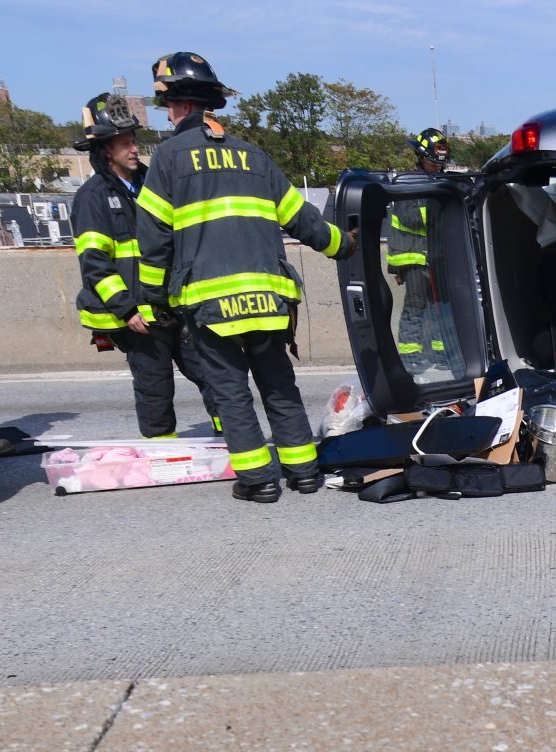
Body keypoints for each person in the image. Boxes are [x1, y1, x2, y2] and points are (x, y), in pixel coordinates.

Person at [134, 51, 349, 503]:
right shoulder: (254, 155)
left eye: (167, 105)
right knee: (278, 384)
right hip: (269, 298)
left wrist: (152, 299)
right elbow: (301, 219)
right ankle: (304, 472)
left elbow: (153, 239)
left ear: (179, 104)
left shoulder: (168, 159)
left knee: (230, 391)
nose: (167, 113)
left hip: (210, 304)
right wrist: (343, 244)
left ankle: (259, 481)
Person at [71, 92, 210, 439]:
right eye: (125, 143)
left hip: (174, 304)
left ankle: (231, 442)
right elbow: (95, 264)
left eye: (134, 141)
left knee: (210, 372)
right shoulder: (92, 198)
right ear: (105, 150)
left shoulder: (153, 182)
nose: (134, 149)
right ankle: (162, 451)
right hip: (137, 314)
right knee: (155, 386)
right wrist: (126, 309)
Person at [387, 128, 456, 376]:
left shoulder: (442, 182)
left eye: (440, 163)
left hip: (436, 258)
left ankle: (441, 354)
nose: (437, 166)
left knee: (441, 308)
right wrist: (442, 213)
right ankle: (410, 357)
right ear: (421, 158)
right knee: (415, 308)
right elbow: (411, 218)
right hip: (413, 258)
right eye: (432, 162)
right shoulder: (408, 183)